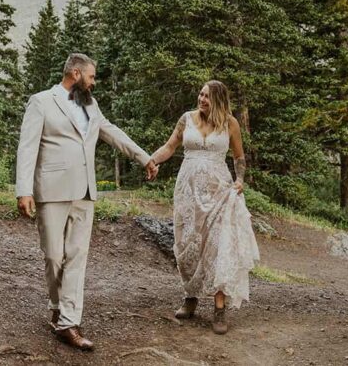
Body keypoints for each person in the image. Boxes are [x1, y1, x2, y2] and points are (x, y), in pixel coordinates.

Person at [15, 53, 158, 351]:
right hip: (51, 191)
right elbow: (27, 147)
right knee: (53, 256)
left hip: (85, 192)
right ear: (77, 74)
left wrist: (144, 157)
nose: (94, 84)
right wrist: (23, 190)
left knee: (77, 257)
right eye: (92, 77)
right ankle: (56, 306)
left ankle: (69, 322)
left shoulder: (91, 104)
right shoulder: (41, 101)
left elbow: (111, 132)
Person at [149, 80, 260, 334]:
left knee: (218, 244)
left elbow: (239, 157)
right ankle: (191, 296)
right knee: (187, 243)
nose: (201, 99)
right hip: (187, 190)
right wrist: (152, 160)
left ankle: (219, 307)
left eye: (207, 96)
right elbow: (169, 147)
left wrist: (240, 179)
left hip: (218, 190)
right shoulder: (186, 119)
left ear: (218, 99)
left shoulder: (230, 123)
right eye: (200, 94)